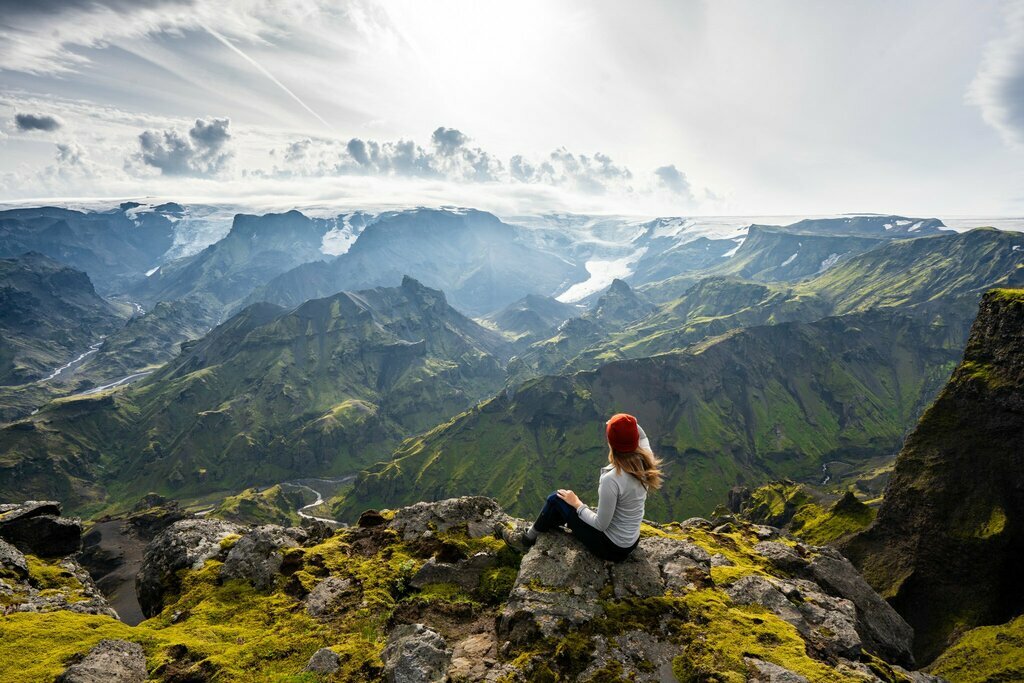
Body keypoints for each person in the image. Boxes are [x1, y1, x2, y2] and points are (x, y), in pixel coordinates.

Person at [499, 413, 663, 562]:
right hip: (631, 542)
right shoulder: (644, 458)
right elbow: (641, 434)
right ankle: (546, 526)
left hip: (611, 548)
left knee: (556, 498)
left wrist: (576, 503)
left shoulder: (612, 479)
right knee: (566, 506)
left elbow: (601, 525)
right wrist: (621, 424)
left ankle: (524, 542)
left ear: (610, 441)